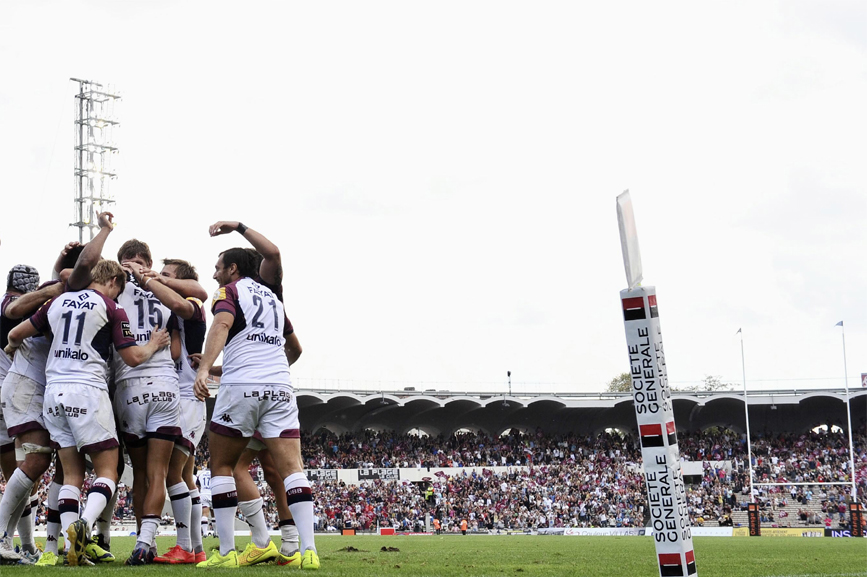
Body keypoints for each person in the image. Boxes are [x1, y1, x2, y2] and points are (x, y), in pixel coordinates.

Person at [5, 257, 170, 566]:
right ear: (113, 282)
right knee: (108, 469)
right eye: (117, 290)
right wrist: (154, 343)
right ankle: (85, 523)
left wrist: (13, 348)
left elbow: (15, 334)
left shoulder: (57, 302)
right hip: (87, 390)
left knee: (71, 473)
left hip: (53, 393)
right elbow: (133, 357)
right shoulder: (111, 307)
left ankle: (71, 548)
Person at [193, 245, 319, 569]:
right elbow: (295, 349)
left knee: (221, 466)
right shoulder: (274, 300)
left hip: (242, 388)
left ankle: (226, 553)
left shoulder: (229, 291)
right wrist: (268, 369)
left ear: (233, 269)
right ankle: (307, 551)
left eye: (218, 267)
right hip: (279, 387)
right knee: (293, 470)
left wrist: (206, 368)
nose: (214, 273)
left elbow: (221, 326)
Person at [151, 259, 208, 564]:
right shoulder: (177, 314)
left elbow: (175, 351)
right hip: (187, 399)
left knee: (174, 473)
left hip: (187, 398)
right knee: (187, 476)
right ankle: (196, 549)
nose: (161, 278)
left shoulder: (192, 304)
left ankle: (184, 546)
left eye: (168, 276)